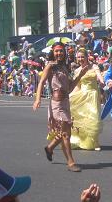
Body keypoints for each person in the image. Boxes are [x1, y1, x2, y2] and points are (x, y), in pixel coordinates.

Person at [33, 43, 89, 172]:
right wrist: (37, 99)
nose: (59, 53)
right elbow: (41, 82)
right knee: (65, 134)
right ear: (53, 52)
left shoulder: (64, 67)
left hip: (65, 102)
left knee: (65, 133)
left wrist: (80, 75)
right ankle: (71, 162)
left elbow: (69, 88)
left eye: (61, 51)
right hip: (56, 104)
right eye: (57, 51)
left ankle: (50, 148)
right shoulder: (50, 66)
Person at [70, 48, 104, 151]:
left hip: (93, 95)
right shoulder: (77, 70)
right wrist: (70, 96)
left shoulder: (94, 67)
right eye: (78, 57)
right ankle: (78, 141)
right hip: (82, 95)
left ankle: (94, 142)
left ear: (86, 57)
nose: (80, 59)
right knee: (81, 118)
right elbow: (77, 86)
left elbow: (99, 77)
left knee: (93, 118)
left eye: (82, 57)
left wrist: (102, 81)